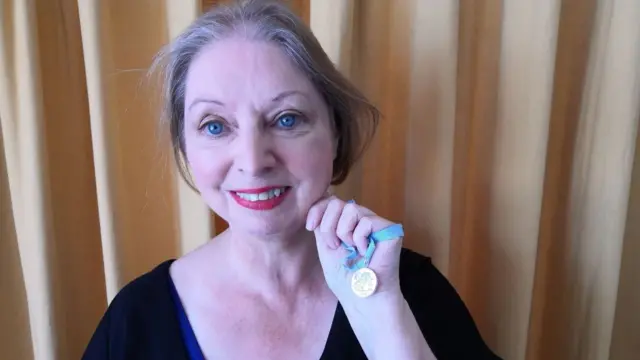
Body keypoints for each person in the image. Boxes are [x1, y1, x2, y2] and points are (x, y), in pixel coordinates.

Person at [83, 0, 500, 359]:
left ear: (335, 134)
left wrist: (382, 317)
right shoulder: (135, 319)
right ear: (185, 148)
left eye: (286, 119)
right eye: (214, 126)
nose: (252, 160)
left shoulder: (409, 293)